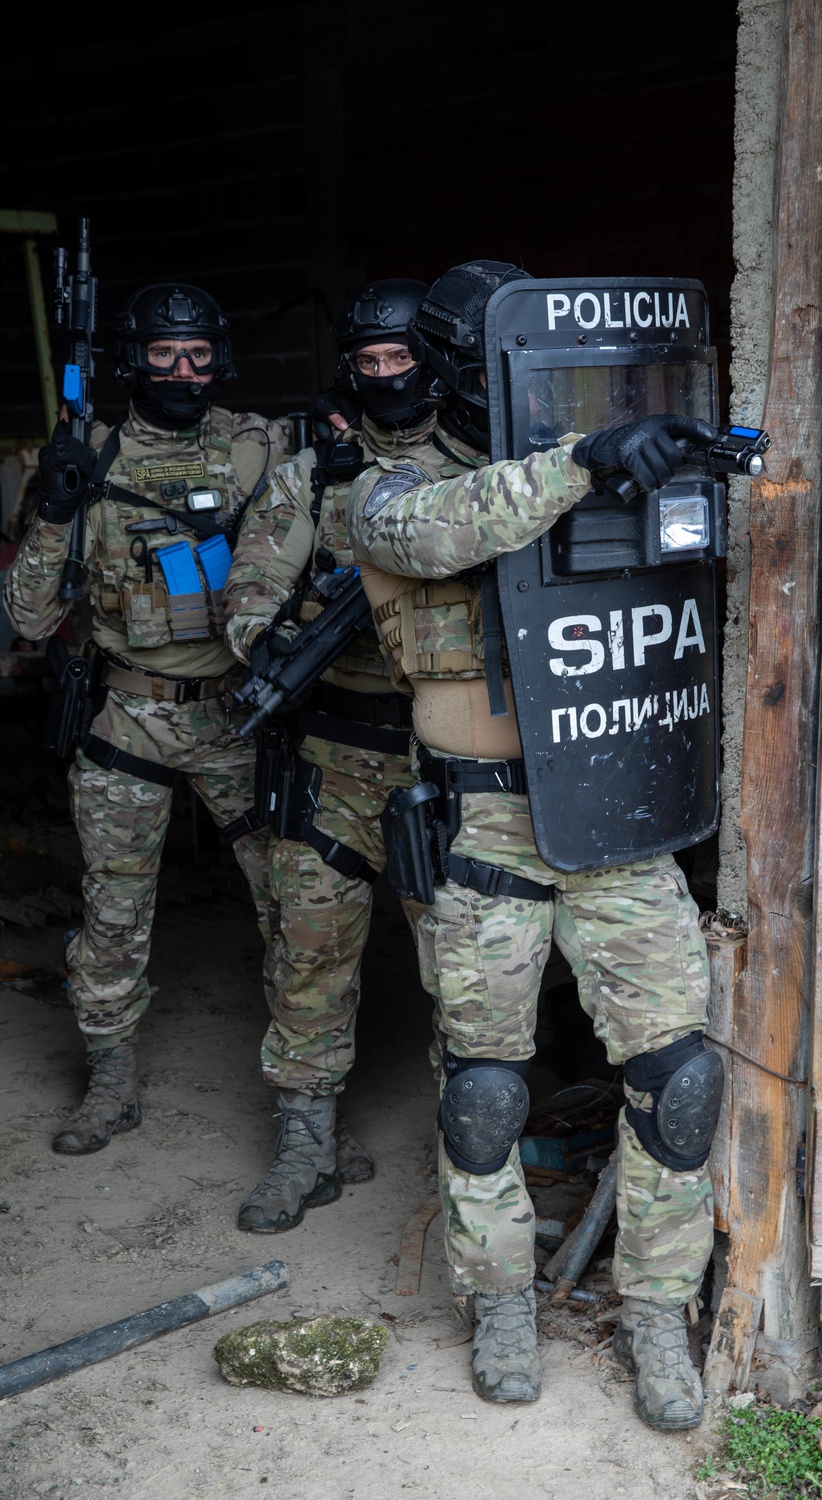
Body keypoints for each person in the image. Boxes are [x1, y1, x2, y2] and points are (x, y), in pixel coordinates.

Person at [345, 262, 716, 1431]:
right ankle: (502, 1300)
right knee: (485, 1094)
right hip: (486, 824)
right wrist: (584, 462)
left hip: (615, 812)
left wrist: (666, 460)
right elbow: (448, 529)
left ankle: (656, 1311)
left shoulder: (611, 460)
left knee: (676, 1084)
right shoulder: (384, 486)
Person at [3, 283, 288, 1156]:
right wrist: (55, 509)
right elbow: (28, 618)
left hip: (236, 718)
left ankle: (306, 1101)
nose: (183, 369)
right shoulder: (85, 454)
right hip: (127, 718)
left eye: (198, 352)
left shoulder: (256, 447)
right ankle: (112, 1081)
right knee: (114, 913)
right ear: (135, 359)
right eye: (165, 353)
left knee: (296, 907)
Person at [223, 278, 450, 1232]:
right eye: (371, 363)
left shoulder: (474, 468)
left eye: (402, 360)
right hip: (332, 760)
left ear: (428, 362)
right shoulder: (309, 477)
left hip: (449, 762)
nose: (388, 377)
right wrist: (294, 624)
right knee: (308, 956)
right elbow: (245, 604)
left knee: (465, 971)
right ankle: (305, 1141)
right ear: (350, 368)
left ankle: (471, 1162)